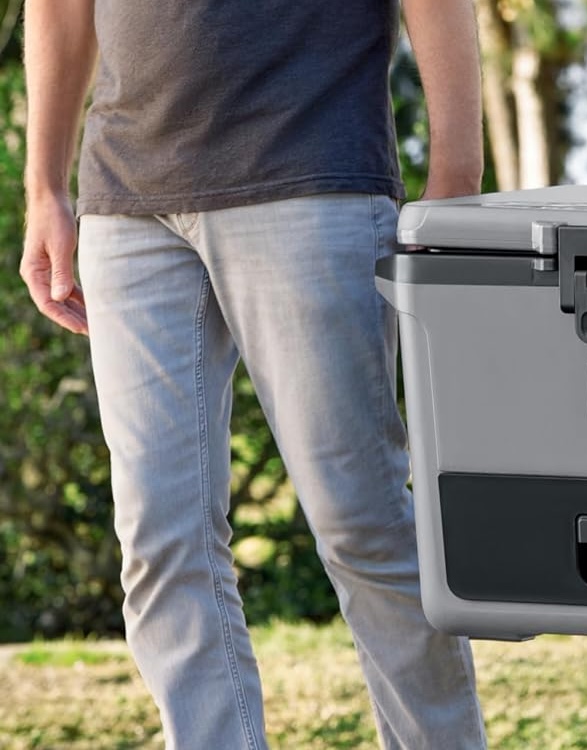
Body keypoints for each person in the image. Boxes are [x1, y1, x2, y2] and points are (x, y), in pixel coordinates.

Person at [19, 1, 489, 747]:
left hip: (310, 176)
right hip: (128, 201)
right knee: (161, 540)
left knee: (361, 521)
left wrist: (457, 178)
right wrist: (43, 185)